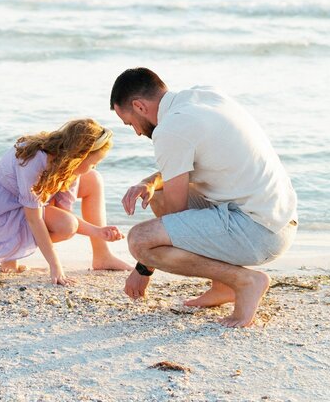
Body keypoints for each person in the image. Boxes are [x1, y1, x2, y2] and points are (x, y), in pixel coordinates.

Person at [111, 68, 298, 328]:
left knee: (141, 241)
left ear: (139, 106)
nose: (136, 132)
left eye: (130, 123)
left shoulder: (170, 130)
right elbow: (182, 172)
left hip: (260, 233)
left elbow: (177, 216)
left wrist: (143, 269)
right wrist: (148, 182)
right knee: (158, 193)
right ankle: (222, 287)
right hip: (277, 217)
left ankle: (244, 281)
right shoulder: (204, 96)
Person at [0, 118, 129, 285]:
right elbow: (35, 219)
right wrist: (56, 267)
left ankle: (102, 255)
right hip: (3, 213)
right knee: (67, 226)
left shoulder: (67, 161)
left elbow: (64, 211)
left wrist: (98, 231)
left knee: (93, 179)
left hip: (30, 204)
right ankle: (11, 252)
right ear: (80, 155)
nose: (95, 166)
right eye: (94, 162)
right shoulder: (34, 162)